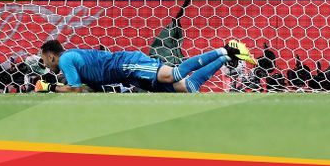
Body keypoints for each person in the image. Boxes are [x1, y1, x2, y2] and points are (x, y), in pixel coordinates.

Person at [35, 39, 256, 93]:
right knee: (187, 87)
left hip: (127, 64)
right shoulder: (71, 59)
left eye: (44, 60)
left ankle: (224, 49)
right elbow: (85, 87)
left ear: (51, 56)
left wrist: (49, 87)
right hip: (127, 75)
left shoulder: (66, 59)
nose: (45, 65)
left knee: (174, 74)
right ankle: (226, 58)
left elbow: (75, 90)